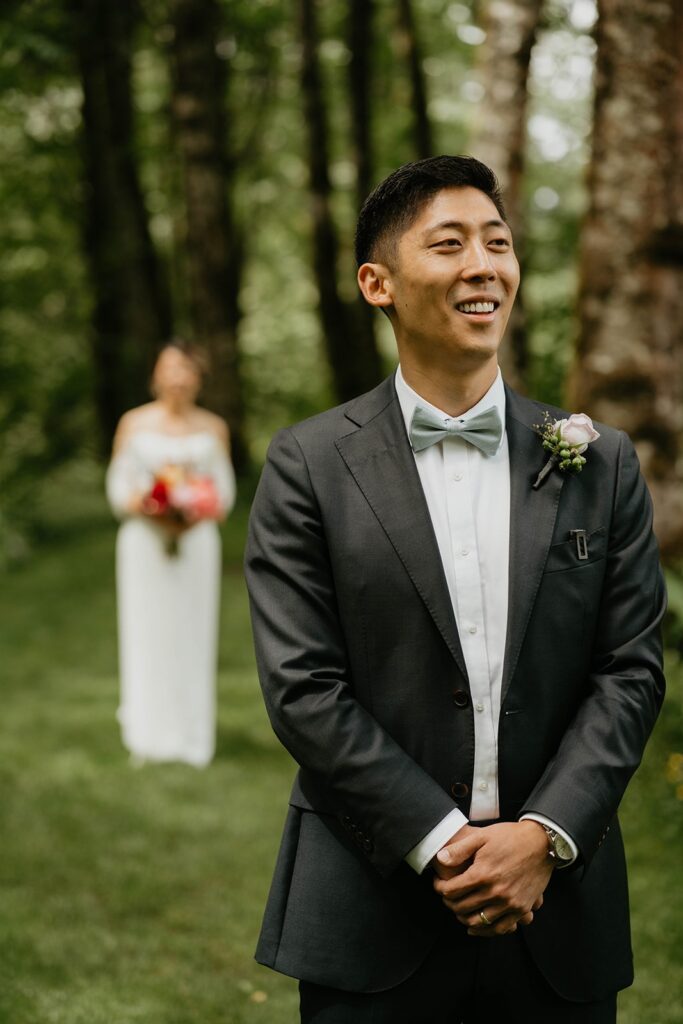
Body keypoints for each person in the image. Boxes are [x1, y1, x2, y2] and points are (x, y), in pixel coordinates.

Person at [244, 156, 666, 1023]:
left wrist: (542, 837)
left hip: (559, 915)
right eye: (449, 244)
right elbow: (303, 687)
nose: (484, 265)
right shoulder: (308, 464)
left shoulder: (599, 460)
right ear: (378, 282)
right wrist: (440, 844)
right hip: (369, 907)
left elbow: (629, 671)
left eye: (498, 243)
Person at [106, 341, 235, 768]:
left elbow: (225, 492)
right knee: (145, 632)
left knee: (193, 633)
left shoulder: (214, 427)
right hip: (144, 543)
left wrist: (191, 513)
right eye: (170, 368)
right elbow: (118, 488)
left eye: (187, 370)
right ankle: (146, 736)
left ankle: (192, 737)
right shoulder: (133, 423)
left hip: (197, 543)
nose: (178, 378)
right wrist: (152, 508)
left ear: (198, 378)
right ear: (155, 375)